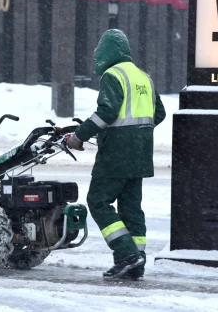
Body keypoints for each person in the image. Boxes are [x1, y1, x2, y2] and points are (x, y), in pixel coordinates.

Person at [65, 29, 166, 280]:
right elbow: (159, 113)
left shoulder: (113, 74)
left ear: (105, 53)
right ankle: (136, 263)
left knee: (98, 201)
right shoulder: (143, 77)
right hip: (141, 154)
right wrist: (138, 133)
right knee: (131, 208)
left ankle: (125, 254)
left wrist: (79, 136)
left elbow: (106, 112)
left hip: (116, 154)